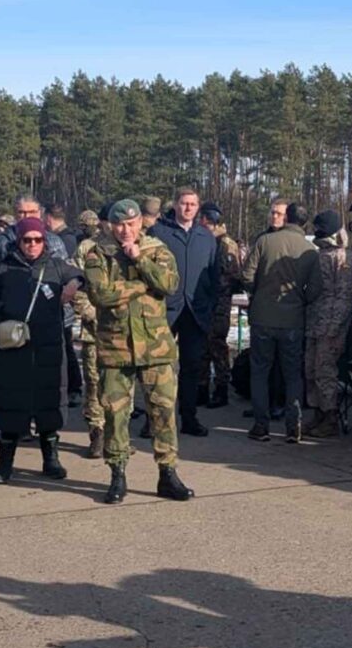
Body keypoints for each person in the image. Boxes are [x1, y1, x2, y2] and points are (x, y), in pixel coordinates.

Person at [85, 199, 193, 504]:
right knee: (115, 413)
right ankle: (117, 474)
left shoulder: (156, 250)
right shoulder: (98, 254)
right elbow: (100, 295)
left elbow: (169, 284)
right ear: (110, 225)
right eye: (119, 224)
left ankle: (167, 473)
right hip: (115, 347)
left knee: (163, 412)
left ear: (140, 223)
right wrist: (142, 286)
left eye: (131, 224)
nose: (125, 230)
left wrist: (140, 261)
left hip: (156, 347)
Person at [0, 218, 83, 483]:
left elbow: (81, 275)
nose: (32, 244)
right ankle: (5, 465)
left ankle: (51, 460)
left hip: (48, 349)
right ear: (18, 241)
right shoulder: (1, 269)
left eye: (38, 239)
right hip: (13, 351)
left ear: (45, 240)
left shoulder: (55, 266)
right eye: (27, 239)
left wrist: (74, 283)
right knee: (11, 407)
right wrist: (5, 311)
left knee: (48, 406)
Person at [241, 202, 322, 443]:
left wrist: (260, 293)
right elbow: (316, 288)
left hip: (263, 317)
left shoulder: (265, 241)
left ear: (286, 218)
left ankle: (261, 425)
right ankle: (293, 426)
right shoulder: (310, 250)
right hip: (293, 319)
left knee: (260, 372)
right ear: (305, 223)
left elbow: (246, 276)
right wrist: (300, 299)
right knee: (293, 374)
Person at [148, 186, 218, 437]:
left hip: (195, 311)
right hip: (164, 309)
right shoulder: (158, 232)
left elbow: (214, 274)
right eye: (184, 203)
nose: (188, 208)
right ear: (175, 205)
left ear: (198, 208)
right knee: (158, 368)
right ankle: (154, 421)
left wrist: (209, 306)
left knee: (191, 367)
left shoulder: (206, 237)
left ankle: (189, 418)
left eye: (193, 204)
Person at [304, 210, 352, 438]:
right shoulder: (321, 254)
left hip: (330, 325)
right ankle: (317, 412)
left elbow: (344, 296)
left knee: (325, 371)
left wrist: (335, 326)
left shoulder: (342, 257)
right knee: (311, 369)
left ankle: (330, 417)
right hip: (314, 322)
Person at [197, 201, 242, 409]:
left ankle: (221, 388)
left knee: (217, 346)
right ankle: (202, 387)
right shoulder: (207, 241)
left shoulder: (225, 244)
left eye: (204, 220)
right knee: (203, 347)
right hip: (205, 301)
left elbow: (232, 276)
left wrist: (213, 287)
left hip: (219, 302)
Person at [44, 202, 84, 408]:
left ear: (48, 218)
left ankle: (73, 388)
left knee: (66, 350)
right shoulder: (68, 237)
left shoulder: (63, 241)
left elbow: (70, 272)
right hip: (60, 305)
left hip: (63, 304)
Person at [74, 214, 105, 457]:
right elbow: (76, 285)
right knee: (94, 383)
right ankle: (97, 432)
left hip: (123, 332)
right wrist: (90, 313)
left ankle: (117, 434)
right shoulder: (87, 248)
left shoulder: (132, 246)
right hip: (94, 331)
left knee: (121, 386)